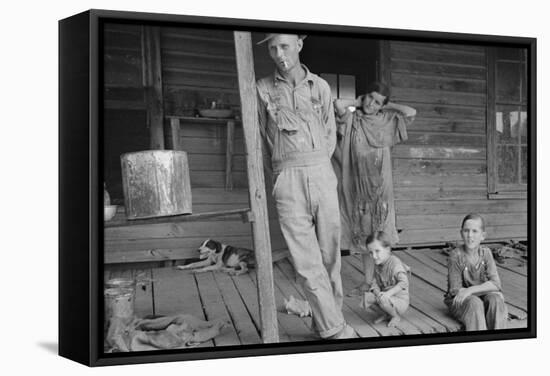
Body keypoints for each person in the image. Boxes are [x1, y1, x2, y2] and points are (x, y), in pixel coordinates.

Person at [256, 33, 355, 339]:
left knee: (329, 258)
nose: (278, 53)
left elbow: (328, 134)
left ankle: (324, 323)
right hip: (287, 177)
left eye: (284, 45)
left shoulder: (321, 87)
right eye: (272, 48)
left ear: (299, 44)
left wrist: (317, 167)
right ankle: (335, 330)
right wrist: (280, 174)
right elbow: (261, 139)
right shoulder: (261, 89)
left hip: (322, 172)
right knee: (306, 261)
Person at [332, 82, 416, 292]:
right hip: (359, 189)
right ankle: (368, 282)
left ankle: (392, 275)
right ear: (364, 96)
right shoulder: (354, 118)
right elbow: (338, 104)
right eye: (370, 97)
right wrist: (357, 102)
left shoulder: (387, 120)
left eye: (377, 102)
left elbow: (410, 112)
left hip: (381, 191)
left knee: (382, 236)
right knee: (364, 239)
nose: (371, 103)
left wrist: (388, 106)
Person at [444, 213, 508, 331]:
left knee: (496, 300)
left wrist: (470, 290)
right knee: (475, 303)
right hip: (460, 301)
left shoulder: (486, 253)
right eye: (466, 231)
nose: (470, 235)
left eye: (474, 231)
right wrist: (487, 288)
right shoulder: (456, 255)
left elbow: (496, 283)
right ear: (461, 233)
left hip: (478, 295)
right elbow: (456, 290)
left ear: (483, 236)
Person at [360, 231, 410, 327]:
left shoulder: (394, 263)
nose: (374, 256)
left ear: (387, 249)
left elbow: (404, 283)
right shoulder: (379, 264)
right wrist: (377, 292)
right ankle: (387, 314)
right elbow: (375, 283)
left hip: (399, 300)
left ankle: (395, 316)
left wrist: (388, 294)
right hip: (387, 297)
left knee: (382, 300)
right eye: (371, 252)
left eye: (377, 251)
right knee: (367, 298)